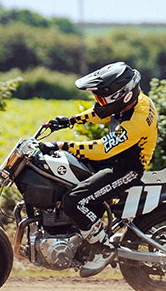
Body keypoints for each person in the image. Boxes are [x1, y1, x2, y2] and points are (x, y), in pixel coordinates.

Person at [40, 61, 158, 277]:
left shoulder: (138, 119)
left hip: (125, 168)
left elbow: (103, 149)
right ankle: (80, 235)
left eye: (102, 98)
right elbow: (99, 113)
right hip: (113, 159)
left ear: (122, 94)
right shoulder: (130, 101)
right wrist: (68, 121)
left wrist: (62, 145)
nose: (98, 102)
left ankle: (104, 249)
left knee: (74, 200)